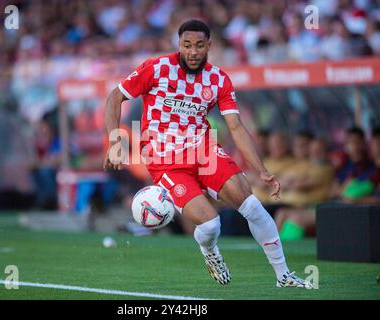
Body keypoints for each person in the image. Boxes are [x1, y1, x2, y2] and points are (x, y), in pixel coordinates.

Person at [103, 20, 312, 288]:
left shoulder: (218, 79)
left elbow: (235, 126)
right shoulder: (156, 68)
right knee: (211, 226)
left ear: (209, 46)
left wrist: (261, 169)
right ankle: (210, 252)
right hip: (165, 161)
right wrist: (114, 143)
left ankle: (283, 275)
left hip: (204, 151)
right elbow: (114, 98)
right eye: (187, 45)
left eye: (199, 45)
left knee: (251, 205)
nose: (193, 52)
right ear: (179, 45)